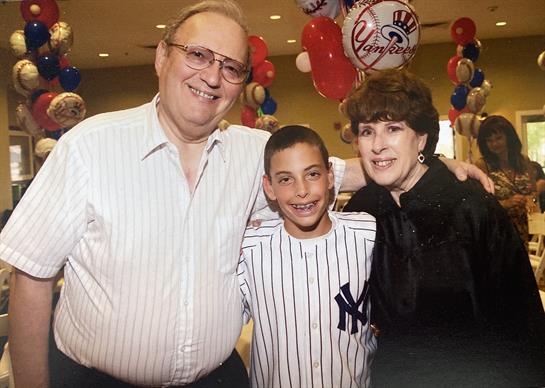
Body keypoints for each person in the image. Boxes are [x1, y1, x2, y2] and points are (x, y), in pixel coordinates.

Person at [0, 1, 493, 386]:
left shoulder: (255, 153)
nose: (212, 76)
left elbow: (334, 172)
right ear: (162, 56)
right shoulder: (90, 147)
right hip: (96, 383)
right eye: (197, 54)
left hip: (218, 381)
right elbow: (31, 279)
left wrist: (427, 161)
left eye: (232, 67)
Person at [342, 69, 545, 387]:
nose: (377, 145)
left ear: (421, 137)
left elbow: (521, 323)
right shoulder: (360, 211)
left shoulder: (471, 206)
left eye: (393, 128)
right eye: (367, 131)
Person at [238, 125, 376, 388]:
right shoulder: (248, 246)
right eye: (285, 179)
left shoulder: (368, 233)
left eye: (312, 174)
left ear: (330, 176)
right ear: (269, 187)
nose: (301, 190)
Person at [475, 115, 539, 242]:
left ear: (509, 137)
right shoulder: (482, 165)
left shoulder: (524, 160)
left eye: (499, 138)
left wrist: (530, 199)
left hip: (529, 230)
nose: (494, 144)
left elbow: (534, 192)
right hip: (501, 233)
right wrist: (506, 203)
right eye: (489, 140)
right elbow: (480, 204)